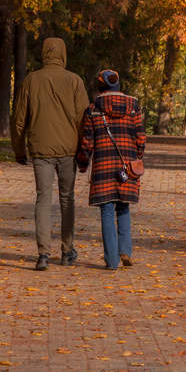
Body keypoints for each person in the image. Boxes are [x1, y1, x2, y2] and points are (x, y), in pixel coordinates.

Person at [11, 37, 90, 271]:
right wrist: (84, 149)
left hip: (41, 149)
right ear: (63, 54)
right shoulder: (74, 81)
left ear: (44, 53)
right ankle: (67, 251)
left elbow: (18, 120)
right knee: (67, 199)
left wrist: (18, 149)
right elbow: (84, 119)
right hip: (68, 149)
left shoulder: (31, 81)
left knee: (42, 199)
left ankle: (43, 254)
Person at [76, 69, 146, 270]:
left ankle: (112, 260)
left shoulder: (93, 109)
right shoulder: (133, 107)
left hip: (103, 167)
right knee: (123, 208)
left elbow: (87, 142)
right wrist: (137, 157)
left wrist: (82, 163)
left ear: (100, 86)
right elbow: (140, 137)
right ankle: (126, 250)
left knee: (107, 210)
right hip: (127, 167)